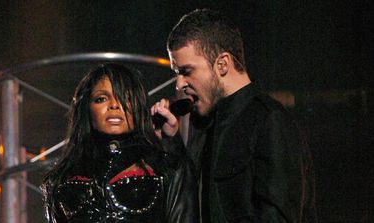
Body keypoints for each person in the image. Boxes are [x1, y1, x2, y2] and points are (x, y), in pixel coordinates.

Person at [151, 9, 317, 222]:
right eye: (177, 73)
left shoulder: (269, 121)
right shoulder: (204, 123)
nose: (180, 84)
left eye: (186, 71)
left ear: (222, 64)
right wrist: (170, 144)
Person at [41, 63, 198, 222]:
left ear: (139, 106)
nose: (114, 105)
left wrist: (169, 141)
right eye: (101, 98)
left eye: (126, 97)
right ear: (86, 108)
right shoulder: (60, 180)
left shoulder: (170, 169)